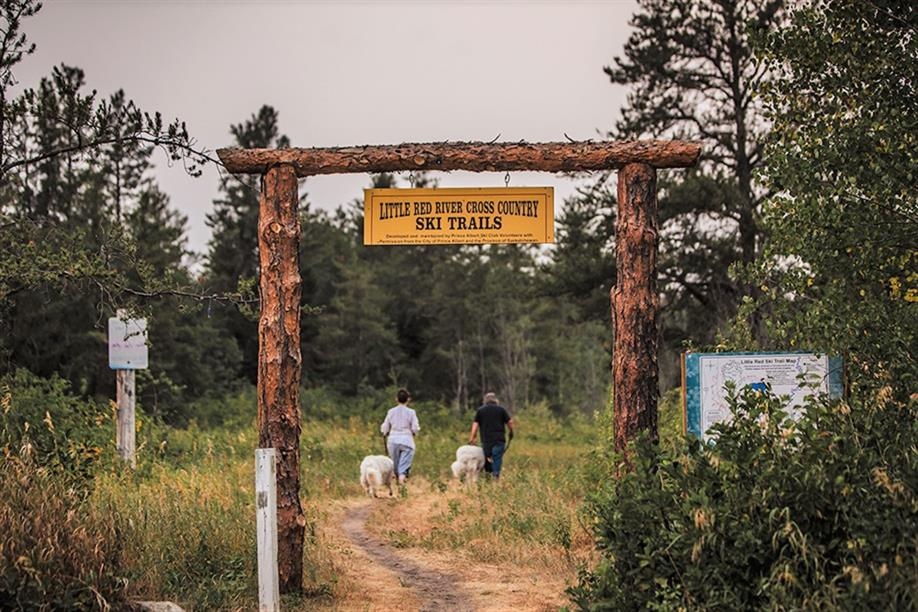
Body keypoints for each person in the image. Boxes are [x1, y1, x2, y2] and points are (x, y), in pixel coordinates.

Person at [468, 392, 514, 480]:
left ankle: (488, 476)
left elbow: (475, 425)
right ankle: (496, 475)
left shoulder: (480, 410)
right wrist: (511, 432)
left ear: (485, 401)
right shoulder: (501, 409)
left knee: (487, 457)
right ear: (495, 400)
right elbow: (510, 422)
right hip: (499, 439)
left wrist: (472, 438)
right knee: (496, 457)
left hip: (486, 440)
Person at [380, 388, 420, 484]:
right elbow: (415, 427)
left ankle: (397, 481)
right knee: (404, 467)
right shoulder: (411, 412)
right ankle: (402, 483)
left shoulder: (391, 411)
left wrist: (384, 433)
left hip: (393, 440)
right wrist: (415, 433)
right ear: (408, 399)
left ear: (396, 399)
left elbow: (385, 427)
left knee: (395, 465)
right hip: (407, 441)